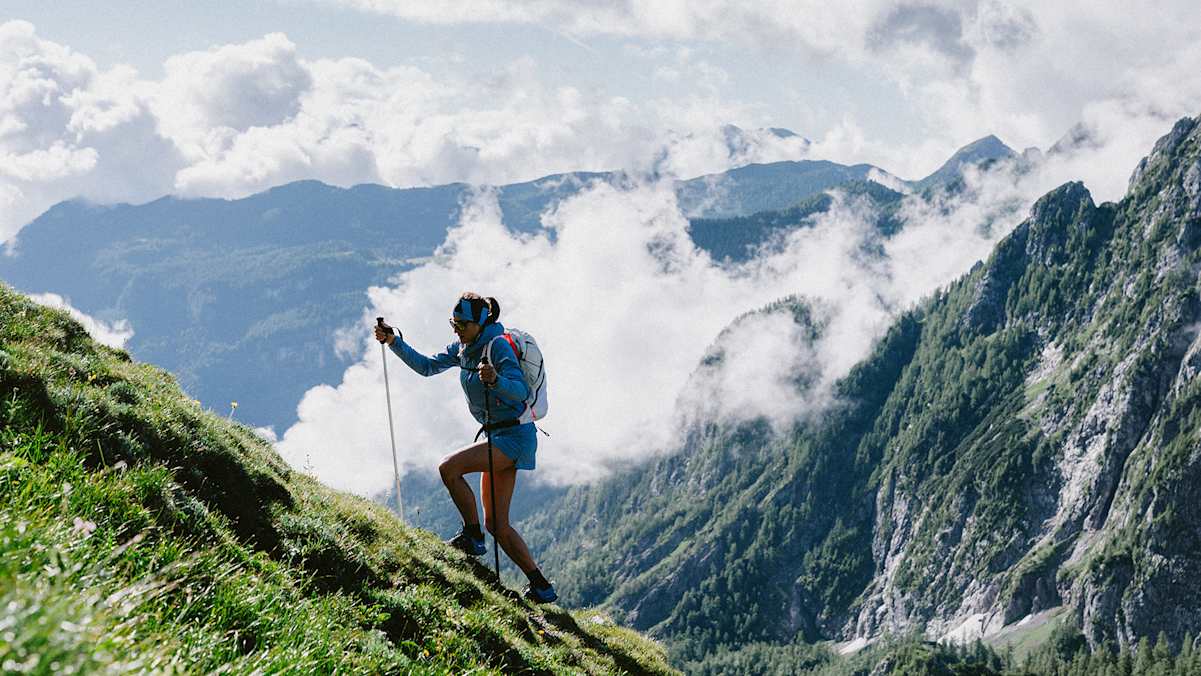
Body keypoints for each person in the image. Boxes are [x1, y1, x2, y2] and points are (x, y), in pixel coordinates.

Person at [374, 292, 557, 604]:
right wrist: (394, 341)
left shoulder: (497, 346)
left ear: (480, 322)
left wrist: (496, 379)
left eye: (462, 323)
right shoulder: (463, 347)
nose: (456, 328)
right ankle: (541, 586)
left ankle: (472, 538)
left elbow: (520, 390)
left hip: (513, 437)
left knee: (449, 467)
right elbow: (428, 367)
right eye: (453, 322)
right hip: (499, 436)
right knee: (497, 524)